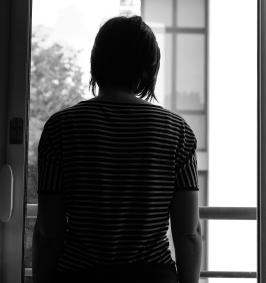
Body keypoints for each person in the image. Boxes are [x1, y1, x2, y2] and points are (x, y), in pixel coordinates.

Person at [32, 16, 202, 283]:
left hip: (80, 276)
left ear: (96, 62)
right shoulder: (177, 131)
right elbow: (189, 233)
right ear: (149, 68)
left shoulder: (61, 128)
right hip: (152, 276)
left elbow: (48, 233)